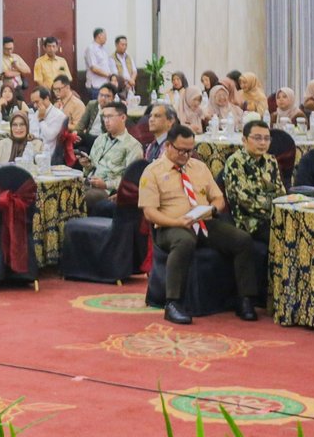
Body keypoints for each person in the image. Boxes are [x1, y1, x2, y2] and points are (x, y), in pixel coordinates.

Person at [139, 125, 260, 324]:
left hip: (203, 221)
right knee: (184, 241)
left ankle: (245, 298)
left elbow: (218, 199)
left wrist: (211, 210)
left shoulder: (199, 167)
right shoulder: (152, 172)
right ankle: (173, 303)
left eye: (190, 150)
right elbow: (150, 213)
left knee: (242, 240)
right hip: (170, 226)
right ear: (168, 146)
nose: (186, 155)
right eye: (181, 150)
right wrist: (177, 221)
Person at [220, 120, 285, 242]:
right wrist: (274, 207)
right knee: (283, 235)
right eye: (257, 138)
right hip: (248, 222)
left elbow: (280, 193)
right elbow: (246, 200)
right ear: (244, 140)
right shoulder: (235, 162)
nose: (262, 143)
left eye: (267, 139)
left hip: (273, 217)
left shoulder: (270, 160)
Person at [84, 101, 140, 210]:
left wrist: (105, 184)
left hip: (108, 191)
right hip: (90, 182)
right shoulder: (100, 139)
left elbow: (130, 181)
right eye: (104, 117)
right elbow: (91, 168)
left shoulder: (133, 146)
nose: (106, 121)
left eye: (110, 116)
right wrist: (86, 165)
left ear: (123, 118)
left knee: (81, 196)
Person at [29, 88, 67, 163]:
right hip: (33, 151)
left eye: (37, 102)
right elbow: (32, 131)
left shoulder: (59, 115)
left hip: (48, 155)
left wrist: (41, 120)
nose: (35, 105)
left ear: (46, 98)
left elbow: (49, 136)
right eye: (33, 103)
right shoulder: (37, 113)